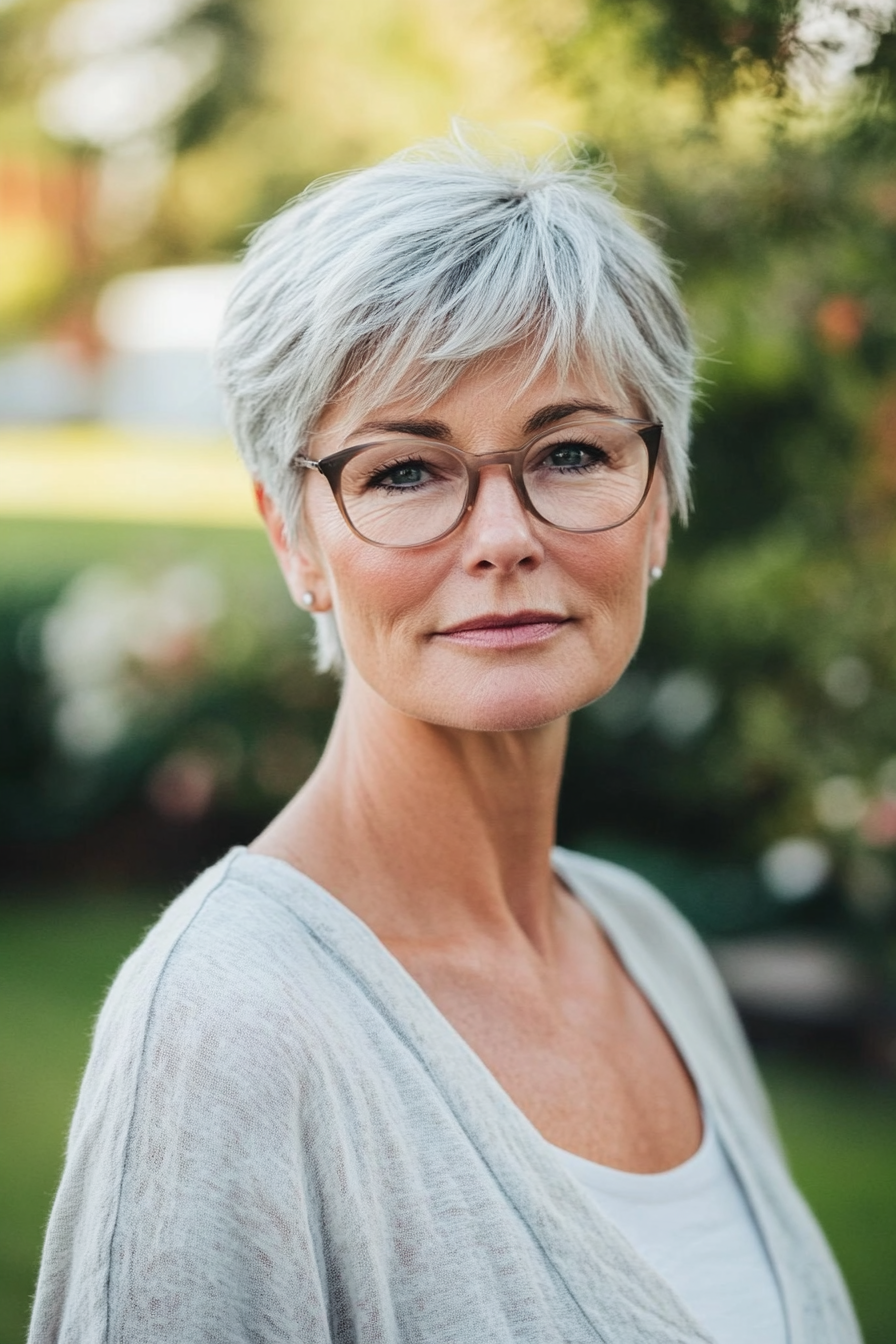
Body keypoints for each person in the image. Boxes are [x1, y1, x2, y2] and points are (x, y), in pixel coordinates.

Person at [29, 130, 860, 1344]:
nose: (502, 535)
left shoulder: (649, 948)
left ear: (661, 497)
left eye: (570, 452)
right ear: (295, 539)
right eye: (407, 471)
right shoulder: (229, 1029)